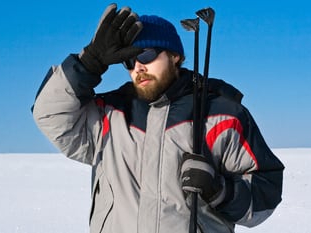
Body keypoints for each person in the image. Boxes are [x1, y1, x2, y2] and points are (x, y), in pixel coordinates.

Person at [32, 3, 284, 233]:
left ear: (175, 56)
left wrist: (221, 191)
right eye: (129, 61)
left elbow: (266, 193)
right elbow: (49, 114)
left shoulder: (223, 115)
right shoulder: (109, 113)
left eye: (146, 55)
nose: (137, 67)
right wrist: (89, 63)